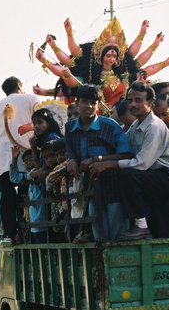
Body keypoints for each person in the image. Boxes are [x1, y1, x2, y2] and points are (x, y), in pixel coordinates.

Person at [90, 82, 169, 240]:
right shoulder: (135, 125)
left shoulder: (154, 127)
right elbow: (124, 151)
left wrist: (108, 164)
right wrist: (99, 159)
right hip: (154, 178)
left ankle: (140, 225)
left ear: (150, 103)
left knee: (128, 174)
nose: (133, 104)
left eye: (138, 100)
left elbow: (141, 164)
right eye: (130, 100)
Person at [35, 18, 169, 110]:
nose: (112, 59)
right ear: (100, 56)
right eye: (108, 55)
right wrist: (46, 63)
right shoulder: (89, 77)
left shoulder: (124, 76)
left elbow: (145, 69)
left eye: (115, 56)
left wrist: (163, 58)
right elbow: (70, 87)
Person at [65, 84, 133, 242]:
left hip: (114, 187)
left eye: (93, 102)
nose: (88, 106)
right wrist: (72, 160)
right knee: (98, 233)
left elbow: (127, 154)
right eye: (84, 102)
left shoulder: (109, 126)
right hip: (90, 187)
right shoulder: (69, 128)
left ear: (98, 105)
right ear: (77, 102)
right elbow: (72, 153)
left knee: (116, 234)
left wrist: (98, 159)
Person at [0, 76, 38, 240]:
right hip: (25, 155)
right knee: (26, 192)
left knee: (7, 195)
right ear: (19, 85)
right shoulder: (30, 98)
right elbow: (42, 120)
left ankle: (11, 233)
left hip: (2, 156)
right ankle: (27, 228)